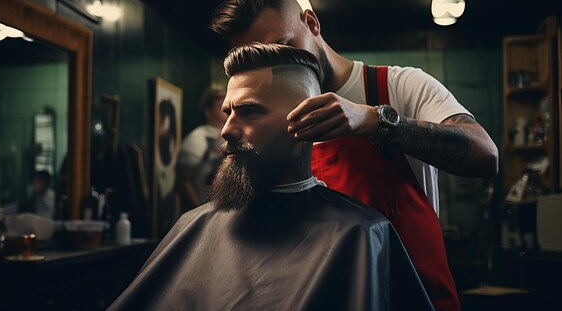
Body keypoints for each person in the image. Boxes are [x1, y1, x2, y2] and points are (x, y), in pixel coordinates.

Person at [210, 0, 499, 311]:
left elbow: (486, 155)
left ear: (311, 22)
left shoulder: (399, 86)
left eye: (285, 46)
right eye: (264, 59)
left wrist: (377, 121)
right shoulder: (267, 128)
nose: (282, 67)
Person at [109, 43, 434, 311]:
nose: (227, 130)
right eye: (228, 112)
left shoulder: (361, 234)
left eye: (250, 111)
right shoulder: (192, 226)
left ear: (307, 120)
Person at [176, 85, 227, 210]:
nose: (225, 106)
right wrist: (196, 210)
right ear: (208, 111)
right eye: (220, 102)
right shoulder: (197, 138)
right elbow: (183, 180)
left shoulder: (233, 134)